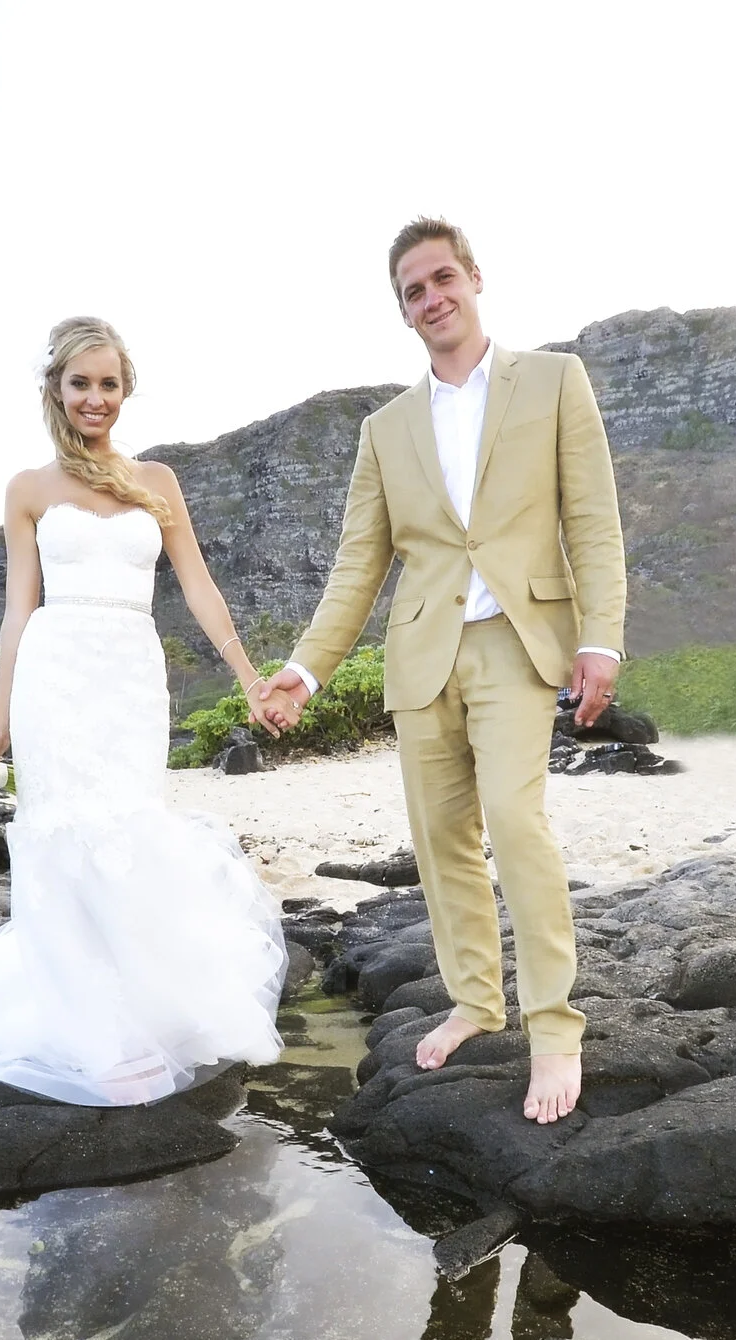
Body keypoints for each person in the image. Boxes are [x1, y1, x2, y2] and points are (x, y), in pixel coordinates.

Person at [260, 218, 627, 1125]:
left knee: (514, 818)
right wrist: (306, 672)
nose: (432, 299)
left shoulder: (553, 381)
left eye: (441, 279)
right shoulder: (384, 430)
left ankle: (553, 1023)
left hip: (518, 637)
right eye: (413, 292)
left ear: (473, 277)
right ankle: (475, 998)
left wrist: (603, 640)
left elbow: (593, 520)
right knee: (442, 838)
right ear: (404, 313)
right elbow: (359, 566)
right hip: (423, 652)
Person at [0, 317, 287, 1106]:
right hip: (56, 672)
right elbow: (19, 612)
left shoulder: (159, 481)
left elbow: (199, 588)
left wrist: (249, 677)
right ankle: (96, 1034)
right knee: (65, 836)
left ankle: (142, 1009)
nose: (96, 398)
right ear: (55, 388)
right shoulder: (28, 489)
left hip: (130, 673)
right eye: (80, 382)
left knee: (128, 828)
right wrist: (0, 723)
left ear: (126, 389)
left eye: (109, 383)